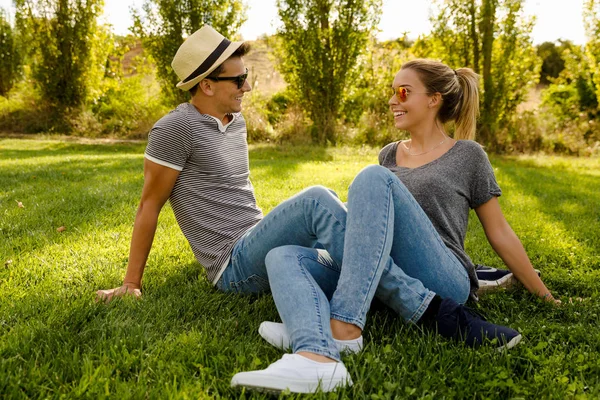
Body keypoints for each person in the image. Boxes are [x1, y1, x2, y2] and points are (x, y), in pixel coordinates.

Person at [231, 59, 558, 393]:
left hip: (442, 276)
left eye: (403, 92)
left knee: (371, 179)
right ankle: (314, 340)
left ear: (434, 99)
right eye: (392, 93)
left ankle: (343, 326)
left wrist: (543, 294)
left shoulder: (468, 155)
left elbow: (499, 231)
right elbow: (371, 230)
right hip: (380, 275)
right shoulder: (388, 153)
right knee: (283, 255)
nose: (392, 101)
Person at [95, 25, 349, 321]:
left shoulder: (236, 122)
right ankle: (396, 290)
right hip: (233, 264)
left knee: (341, 210)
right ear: (207, 85)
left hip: (258, 237)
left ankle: (372, 281)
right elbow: (148, 205)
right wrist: (131, 283)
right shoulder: (175, 129)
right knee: (316, 200)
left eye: (247, 76)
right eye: (239, 80)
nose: (248, 87)